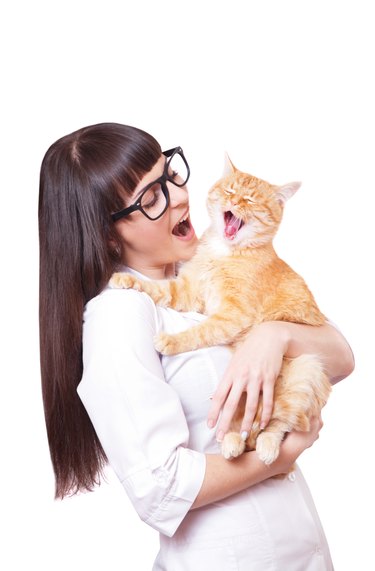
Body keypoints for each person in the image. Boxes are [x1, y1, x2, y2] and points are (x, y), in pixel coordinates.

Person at [38, 122, 354, 570]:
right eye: (151, 199)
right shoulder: (121, 313)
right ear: (108, 234)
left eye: (170, 174)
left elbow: (341, 355)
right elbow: (158, 489)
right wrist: (286, 452)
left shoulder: (214, 263)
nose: (179, 196)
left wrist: (274, 335)